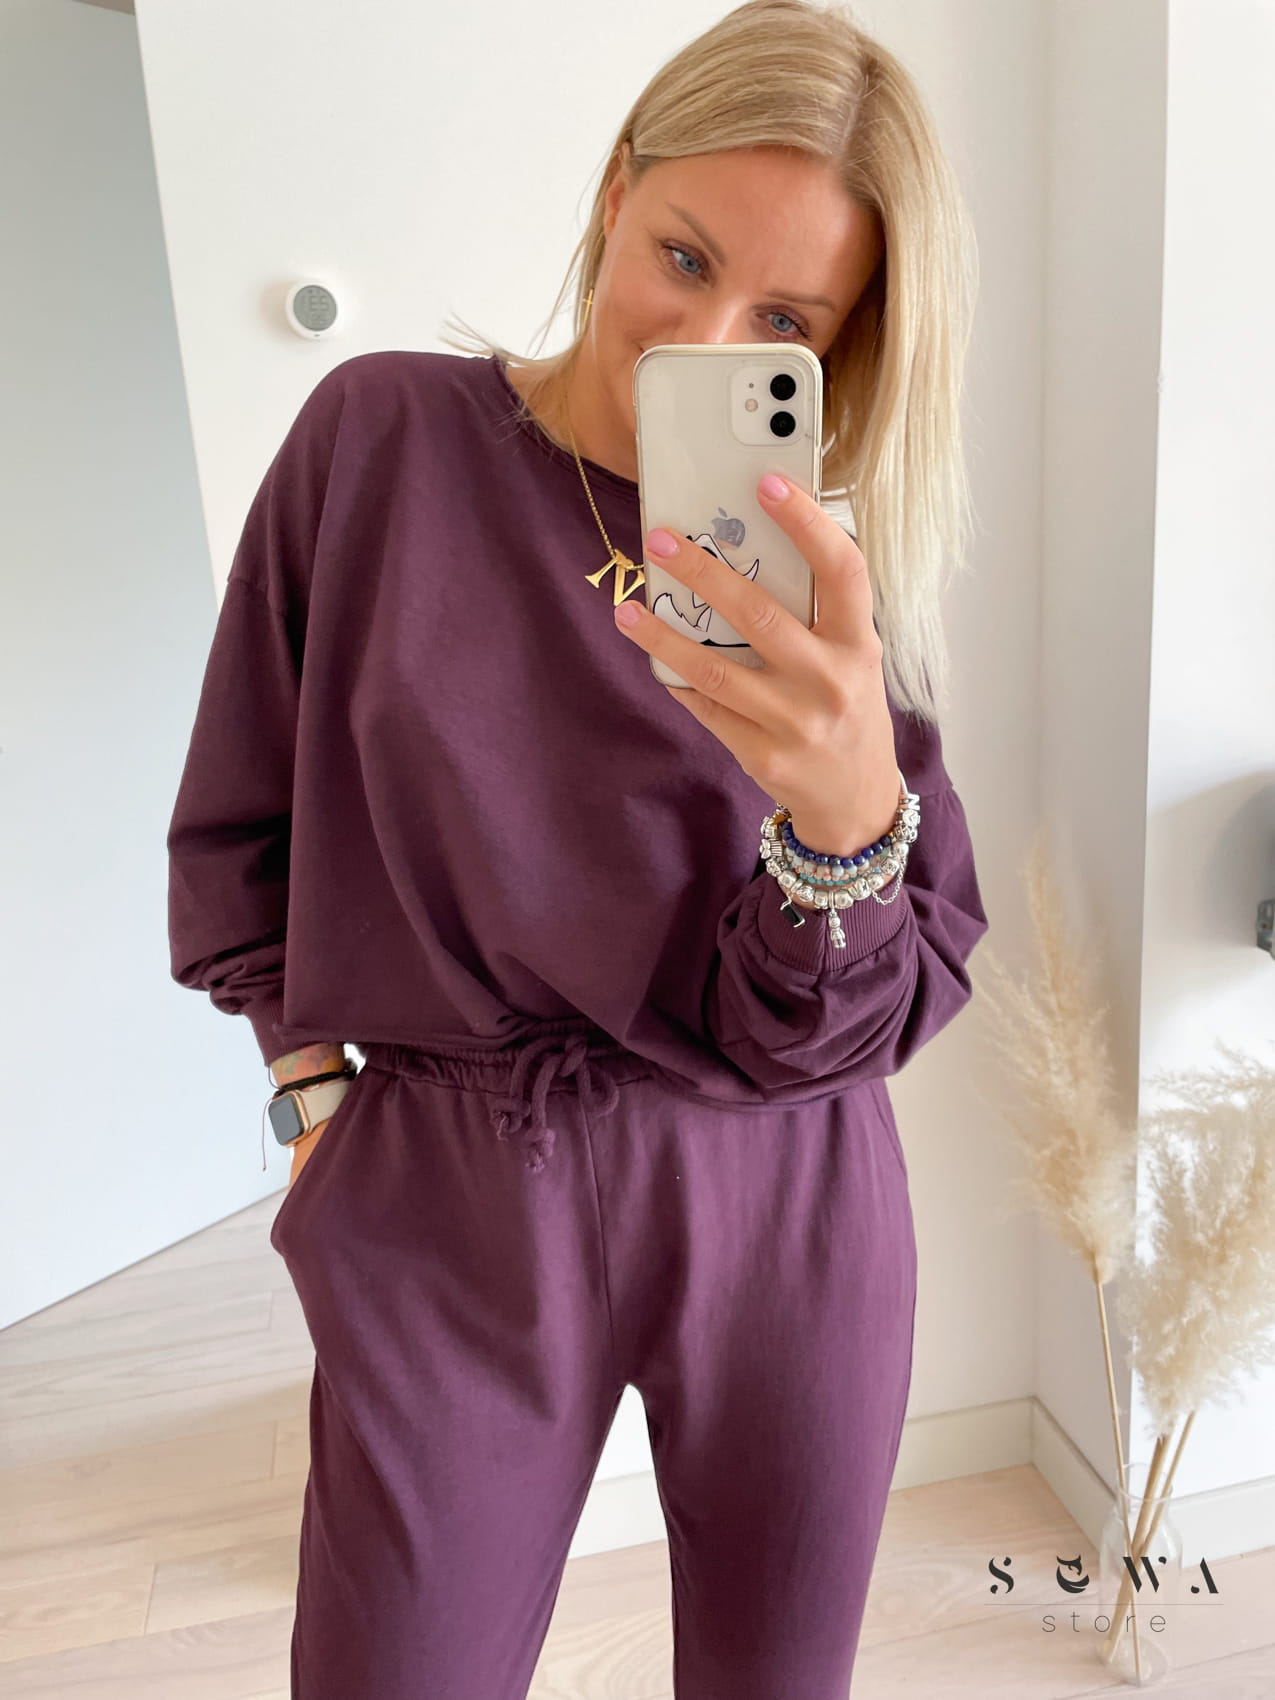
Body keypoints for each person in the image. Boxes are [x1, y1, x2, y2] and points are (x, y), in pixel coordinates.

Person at [166, 2, 989, 1695]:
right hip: (450, 1184)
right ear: (617, 188)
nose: (703, 336)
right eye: (683, 255)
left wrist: (845, 818)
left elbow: (860, 1009)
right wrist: (311, 1095)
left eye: (783, 320)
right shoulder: (379, 441)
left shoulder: (824, 579)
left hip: (783, 1194)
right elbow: (242, 816)